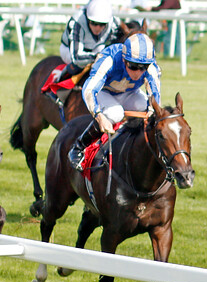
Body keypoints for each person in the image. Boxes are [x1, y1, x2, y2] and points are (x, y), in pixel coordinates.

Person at [69, 32, 161, 170]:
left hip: (129, 92)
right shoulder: (110, 59)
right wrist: (99, 116)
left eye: (143, 67)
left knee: (145, 107)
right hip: (104, 92)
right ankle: (78, 147)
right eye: (133, 66)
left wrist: (152, 111)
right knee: (115, 113)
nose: (138, 72)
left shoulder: (151, 66)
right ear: (124, 60)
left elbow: (155, 95)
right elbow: (89, 89)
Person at [59, 0, 122, 79]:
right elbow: (76, 58)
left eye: (102, 24)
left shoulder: (114, 23)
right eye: (94, 23)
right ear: (87, 18)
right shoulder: (77, 22)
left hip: (95, 49)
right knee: (78, 65)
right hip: (69, 51)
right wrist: (98, 56)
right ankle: (59, 80)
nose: (97, 28)